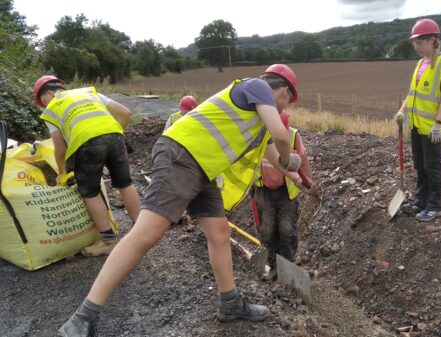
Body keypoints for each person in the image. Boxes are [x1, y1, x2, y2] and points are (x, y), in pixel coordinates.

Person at [58, 64, 303, 337]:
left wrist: (294, 176)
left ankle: (230, 303)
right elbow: (281, 138)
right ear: (283, 90)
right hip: (181, 154)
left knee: (219, 233)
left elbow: (273, 155)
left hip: (203, 168)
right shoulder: (256, 87)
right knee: (147, 233)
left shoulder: (258, 123)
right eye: (285, 102)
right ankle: (83, 317)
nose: (282, 108)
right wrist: (288, 157)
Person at [33, 75, 141, 256]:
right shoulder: (88, 92)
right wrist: (114, 133)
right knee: (124, 183)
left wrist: (62, 173)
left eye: (43, 100)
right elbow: (125, 113)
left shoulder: (52, 109)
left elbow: (60, 148)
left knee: (89, 192)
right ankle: (141, 232)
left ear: (49, 93)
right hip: (115, 136)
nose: (44, 104)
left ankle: (108, 241)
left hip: (87, 144)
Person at [394, 18, 441, 222]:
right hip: (417, 125)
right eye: (415, 43)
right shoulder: (420, 64)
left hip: (433, 128)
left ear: (432, 40)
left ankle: (435, 205)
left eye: (420, 42)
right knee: (420, 165)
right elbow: (412, 92)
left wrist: (439, 125)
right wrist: (402, 110)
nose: (417, 47)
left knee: (432, 166)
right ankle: (420, 201)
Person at [253, 110, 313, 281]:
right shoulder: (259, 134)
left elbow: (303, 159)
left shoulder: (293, 135)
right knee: (268, 231)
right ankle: (273, 267)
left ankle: (288, 266)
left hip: (286, 192)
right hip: (264, 190)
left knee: (287, 230)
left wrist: (310, 184)